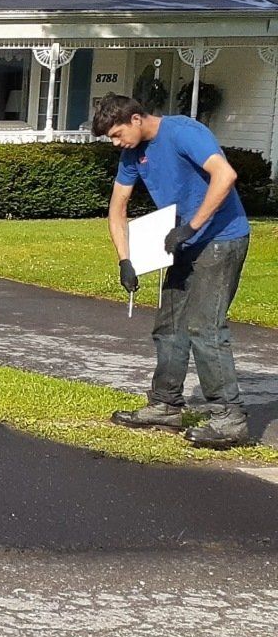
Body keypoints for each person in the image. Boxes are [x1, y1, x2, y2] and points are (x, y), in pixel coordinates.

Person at [94, 93, 252, 448]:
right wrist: (125, 260)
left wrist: (191, 227)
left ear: (135, 119)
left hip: (221, 239)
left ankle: (230, 418)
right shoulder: (132, 155)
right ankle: (165, 405)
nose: (117, 143)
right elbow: (117, 208)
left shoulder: (183, 132)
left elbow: (225, 175)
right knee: (169, 326)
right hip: (181, 243)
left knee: (204, 327)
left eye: (118, 134)